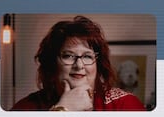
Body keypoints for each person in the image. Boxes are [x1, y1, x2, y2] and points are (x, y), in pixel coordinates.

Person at [11, 15, 146, 111]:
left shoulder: (125, 104)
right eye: (68, 56)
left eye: (87, 56)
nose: (79, 65)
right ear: (52, 63)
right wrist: (63, 110)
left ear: (97, 64)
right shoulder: (26, 108)